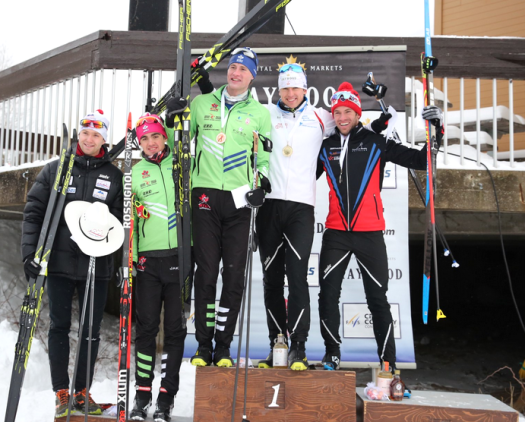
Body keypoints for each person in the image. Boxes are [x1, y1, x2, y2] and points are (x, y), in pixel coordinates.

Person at [316, 82, 443, 371]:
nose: (342, 117)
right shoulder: (326, 146)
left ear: (358, 113)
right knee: (327, 294)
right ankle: (331, 354)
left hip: (370, 233)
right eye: (337, 112)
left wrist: (437, 130)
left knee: (377, 299)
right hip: (336, 233)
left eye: (348, 111)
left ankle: (388, 363)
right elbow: (301, 175)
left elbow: (422, 160)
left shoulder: (376, 141)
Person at [21, 110, 123, 418]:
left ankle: (82, 392)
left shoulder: (115, 176)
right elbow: (33, 212)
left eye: (96, 134)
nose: (89, 139)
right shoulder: (56, 170)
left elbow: (119, 223)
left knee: (91, 330)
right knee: (59, 327)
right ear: (78, 136)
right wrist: (31, 253)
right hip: (60, 263)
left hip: (97, 265)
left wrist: (116, 257)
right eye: (84, 133)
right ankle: (61, 393)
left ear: (104, 139)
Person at [187, 47, 272, 367]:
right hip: (206, 195)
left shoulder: (260, 113)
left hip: (239, 200)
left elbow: (263, 156)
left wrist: (261, 184)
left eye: (243, 69)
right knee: (206, 273)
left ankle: (223, 347)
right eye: (233, 67)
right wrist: (172, 114)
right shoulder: (202, 103)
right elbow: (178, 137)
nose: (236, 73)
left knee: (234, 276)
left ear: (252, 76)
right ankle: (202, 345)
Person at [256, 63, 336, 370]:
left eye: (296, 88)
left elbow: (350, 125)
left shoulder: (320, 116)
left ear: (305, 89)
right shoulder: (265, 114)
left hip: (302, 208)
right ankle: (277, 343)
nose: (291, 94)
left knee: (298, 278)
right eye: (285, 88)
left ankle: (299, 347)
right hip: (269, 207)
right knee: (271, 280)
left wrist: (380, 124)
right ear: (279, 89)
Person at [128, 113, 186, 422]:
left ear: (164, 136)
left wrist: (176, 118)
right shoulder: (135, 172)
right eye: (145, 138)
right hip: (148, 262)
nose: (151, 143)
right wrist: (132, 258)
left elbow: (184, 137)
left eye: (156, 136)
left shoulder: (179, 163)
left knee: (175, 330)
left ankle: (167, 398)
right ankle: (142, 395)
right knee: (147, 330)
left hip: (178, 258)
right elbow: (131, 221)